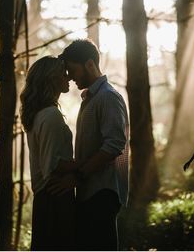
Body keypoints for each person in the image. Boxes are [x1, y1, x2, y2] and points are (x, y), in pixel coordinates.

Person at [62, 39, 129, 251]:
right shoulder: (92, 98)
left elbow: (114, 145)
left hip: (102, 193)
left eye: (72, 70)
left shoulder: (108, 97)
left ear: (90, 64)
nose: (70, 77)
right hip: (89, 191)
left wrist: (79, 175)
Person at [20, 56, 77, 251]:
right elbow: (51, 166)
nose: (68, 78)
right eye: (63, 74)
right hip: (55, 197)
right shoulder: (50, 115)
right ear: (52, 79)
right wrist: (87, 162)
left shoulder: (38, 114)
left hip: (46, 199)